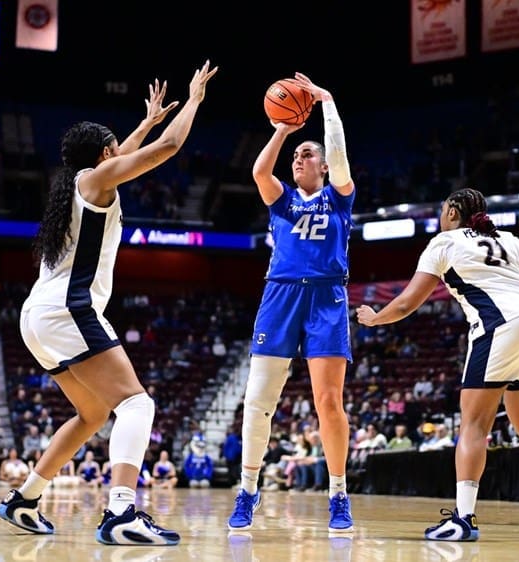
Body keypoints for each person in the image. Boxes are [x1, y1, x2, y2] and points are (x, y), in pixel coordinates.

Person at [0, 60, 217, 547]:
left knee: (93, 415)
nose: (121, 153)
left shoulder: (81, 184)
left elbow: (129, 155)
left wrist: (143, 123)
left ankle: (25, 499)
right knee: (137, 403)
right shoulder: (94, 181)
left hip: (39, 316)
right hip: (68, 311)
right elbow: (170, 148)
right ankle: (122, 512)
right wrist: (195, 99)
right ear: (103, 154)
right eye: (115, 147)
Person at [356, 188, 519, 541]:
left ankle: (464, 518)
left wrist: (376, 318)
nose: (440, 216)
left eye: (442, 208)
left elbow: (408, 303)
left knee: (473, 426)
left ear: (453, 211)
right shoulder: (511, 239)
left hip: (502, 327)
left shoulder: (444, 242)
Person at [228, 72, 356, 534]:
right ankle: (247, 490)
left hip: (327, 296)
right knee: (258, 399)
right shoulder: (281, 200)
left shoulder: (339, 199)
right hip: (280, 293)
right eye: (297, 155)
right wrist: (284, 128)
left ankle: (338, 495)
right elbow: (260, 172)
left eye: (307, 154)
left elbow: (338, 158)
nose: (299, 158)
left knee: (328, 402)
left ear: (322, 167)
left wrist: (327, 103)